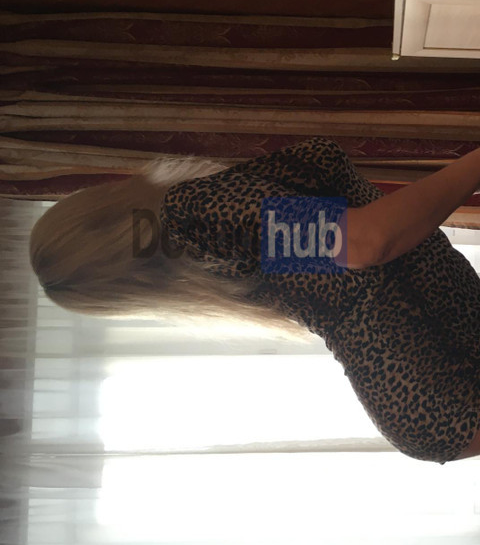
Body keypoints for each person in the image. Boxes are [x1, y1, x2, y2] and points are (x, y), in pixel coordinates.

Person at [29, 137, 480, 464]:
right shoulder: (189, 215)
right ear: (92, 214)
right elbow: (365, 241)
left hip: (426, 380)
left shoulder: (191, 241)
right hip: (426, 377)